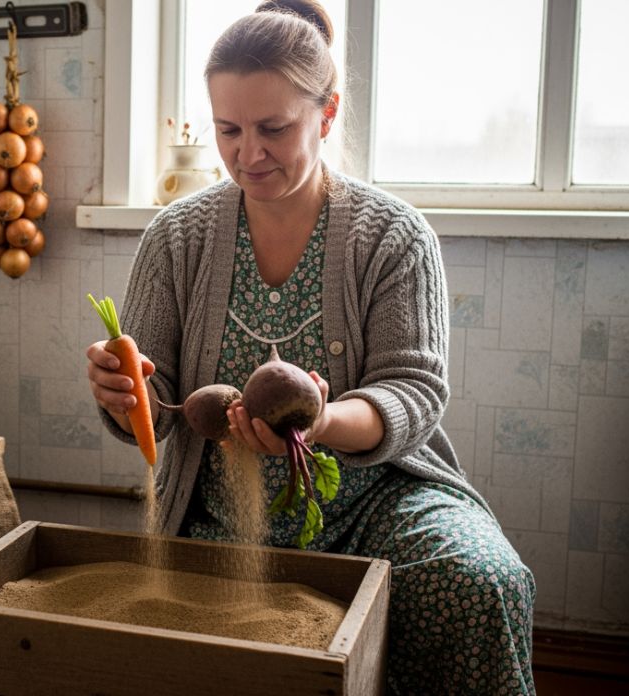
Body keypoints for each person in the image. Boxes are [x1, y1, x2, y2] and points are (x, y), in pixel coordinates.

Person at [85, 1, 535, 693]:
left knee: (483, 581)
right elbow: (157, 403)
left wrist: (322, 424)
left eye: (273, 128)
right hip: (218, 515)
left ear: (325, 116)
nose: (247, 153)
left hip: (376, 504)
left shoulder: (394, 237)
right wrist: (124, 396)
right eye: (228, 129)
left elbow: (413, 392)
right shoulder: (177, 237)